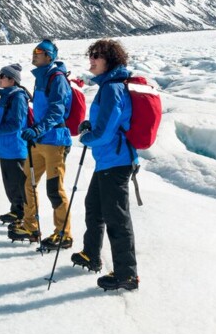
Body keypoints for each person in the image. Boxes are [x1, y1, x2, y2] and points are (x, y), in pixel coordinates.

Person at [72, 38, 140, 291]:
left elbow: (106, 132)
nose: (92, 59)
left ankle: (127, 274)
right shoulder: (109, 86)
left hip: (116, 160)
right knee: (94, 207)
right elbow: (106, 124)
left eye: (97, 56)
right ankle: (91, 254)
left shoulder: (112, 88)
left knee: (117, 218)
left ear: (109, 60)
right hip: (109, 160)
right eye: (91, 54)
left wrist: (87, 136)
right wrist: (91, 128)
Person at [9, 39, 73, 250]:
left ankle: (63, 234)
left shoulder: (57, 78)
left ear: (50, 56)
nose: (34, 54)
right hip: (39, 141)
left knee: (54, 189)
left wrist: (37, 129)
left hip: (54, 141)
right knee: (28, 183)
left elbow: (57, 111)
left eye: (40, 51)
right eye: (34, 50)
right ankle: (31, 227)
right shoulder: (41, 78)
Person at [0, 64, 29, 226]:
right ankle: (16, 210)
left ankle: (22, 213)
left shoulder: (17, 97)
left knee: (18, 183)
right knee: (10, 183)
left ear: (12, 80)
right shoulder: (6, 96)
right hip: (6, 147)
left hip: (15, 147)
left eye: (2, 76)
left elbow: (16, 124)